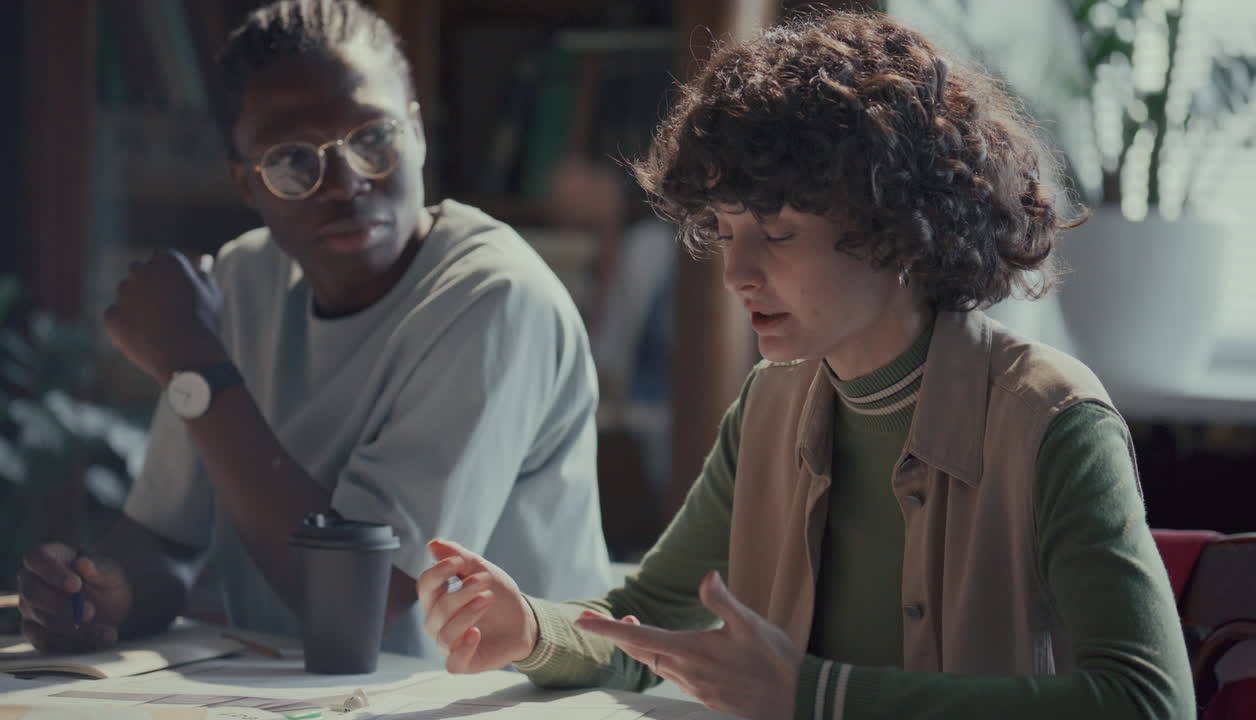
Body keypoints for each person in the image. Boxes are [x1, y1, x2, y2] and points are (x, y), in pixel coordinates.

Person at [415, 9, 1195, 720]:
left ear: (896, 227)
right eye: (725, 231)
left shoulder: (1051, 418)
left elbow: (1150, 702)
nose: (737, 273)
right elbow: (649, 616)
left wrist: (815, 695)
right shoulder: (772, 401)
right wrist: (531, 629)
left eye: (778, 234)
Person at [15, 0, 610, 661]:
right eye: (293, 159)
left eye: (374, 138)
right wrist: (102, 594)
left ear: (417, 132)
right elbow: (163, 542)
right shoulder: (241, 280)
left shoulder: (494, 300)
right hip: (294, 691)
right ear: (246, 183)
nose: (345, 183)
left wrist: (194, 365)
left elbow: (361, 601)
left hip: (486, 698)